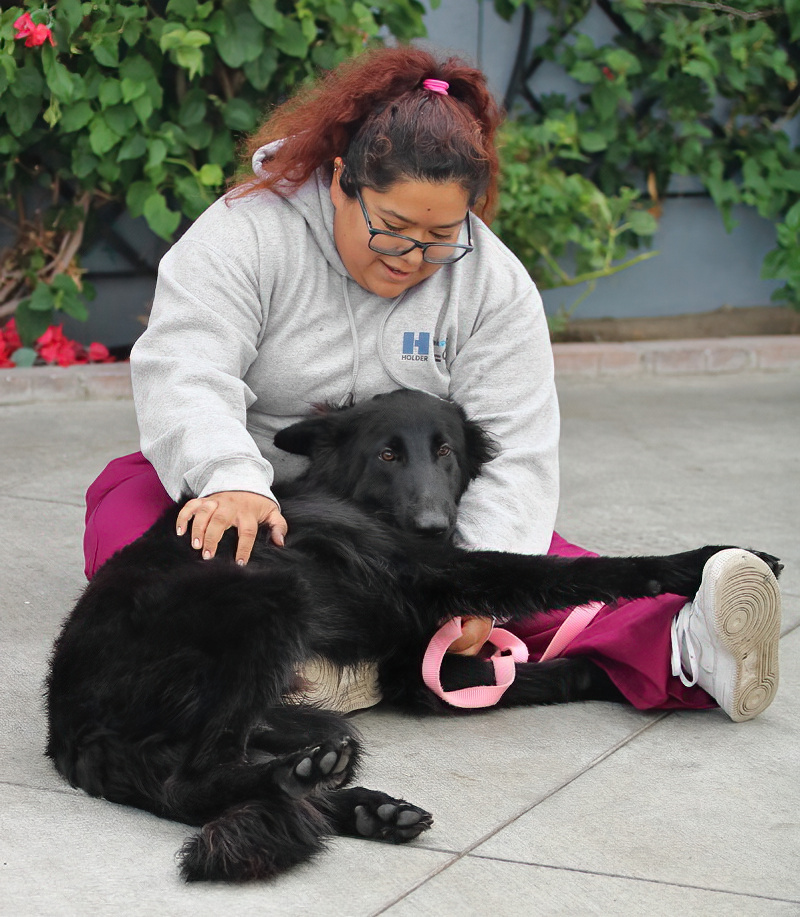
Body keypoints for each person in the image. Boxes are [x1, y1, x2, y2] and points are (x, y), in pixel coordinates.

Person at [83, 46, 781, 722]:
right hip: (247, 493)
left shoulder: (492, 285)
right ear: (340, 180)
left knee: (532, 568)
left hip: (398, 519)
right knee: (133, 530)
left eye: (442, 236)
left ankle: (681, 646)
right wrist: (228, 478)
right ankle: (308, 664)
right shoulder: (247, 234)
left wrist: (474, 588)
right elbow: (186, 368)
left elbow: (515, 450)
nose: (413, 258)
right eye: (392, 229)